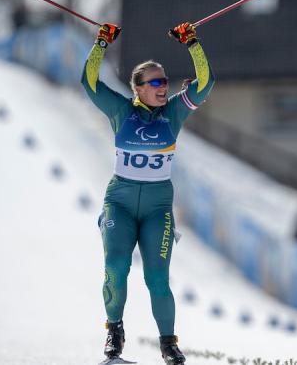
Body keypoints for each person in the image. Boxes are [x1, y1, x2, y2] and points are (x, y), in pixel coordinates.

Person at [82, 22, 214, 365]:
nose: (162, 86)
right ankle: (114, 329)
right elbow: (90, 82)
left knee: (157, 277)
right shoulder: (121, 111)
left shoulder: (174, 112)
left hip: (158, 207)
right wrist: (100, 43)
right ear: (137, 88)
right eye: (154, 82)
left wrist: (192, 43)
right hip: (120, 202)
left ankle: (169, 344)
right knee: (116, 267)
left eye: (165, 81)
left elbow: (206, 82)